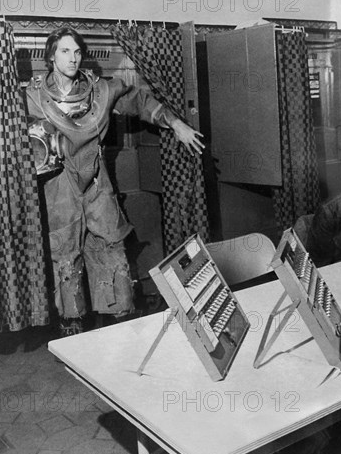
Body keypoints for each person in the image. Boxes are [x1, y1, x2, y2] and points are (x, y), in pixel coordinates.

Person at [24, 27, 205, 336]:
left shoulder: (100, 91)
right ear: (51, 55)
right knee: (65, 254)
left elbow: (140, 101)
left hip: (96, 181)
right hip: (59, 183)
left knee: (110, 245)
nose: (73, 57)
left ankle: (118, 323)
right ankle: (72, 326)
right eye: (65, 51)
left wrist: (175, 123)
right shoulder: (33, 95)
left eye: (77, 51)